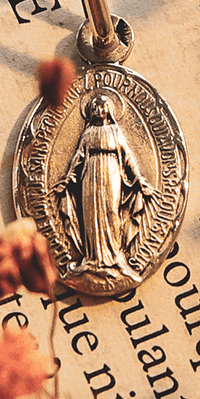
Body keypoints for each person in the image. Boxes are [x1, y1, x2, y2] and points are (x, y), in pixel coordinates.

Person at [59, 91, 150, 276]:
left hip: (111, 173)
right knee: (90, 214)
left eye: (102, 106)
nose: (99, 110)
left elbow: (128, 156)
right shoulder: (89, 132)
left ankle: (115, 256)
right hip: (89, 175)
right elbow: (79, 155)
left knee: (111, 211)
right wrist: (69, 175)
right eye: (95, 107)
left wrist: (138, 177)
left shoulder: (116, 131)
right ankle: (92, 259)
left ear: (109, 109)